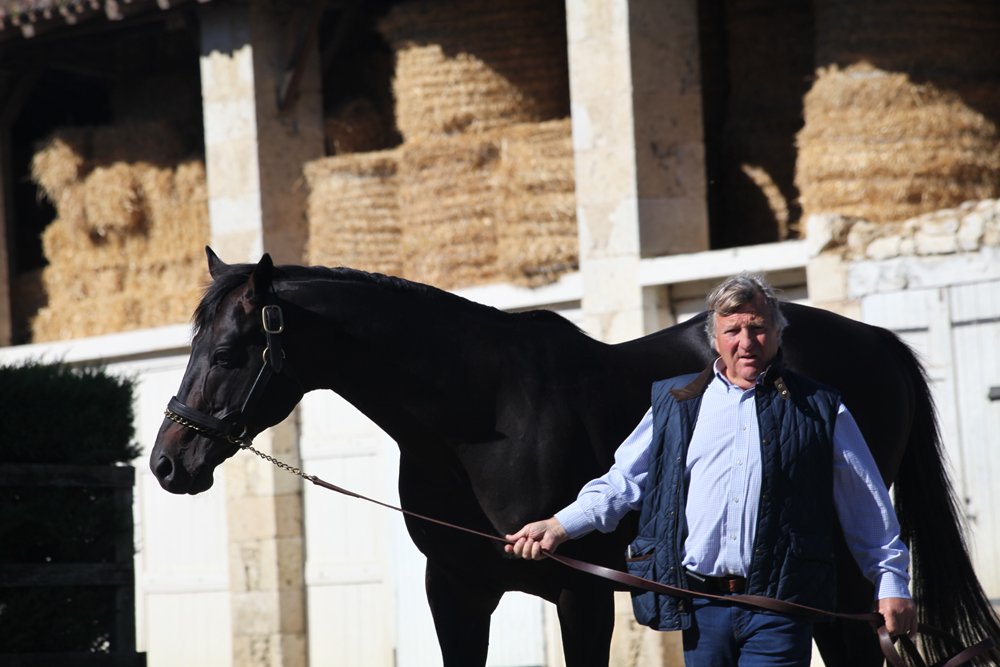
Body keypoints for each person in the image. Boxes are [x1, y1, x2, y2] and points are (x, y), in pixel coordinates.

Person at [505, 272, 917, 666]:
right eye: (732, 332)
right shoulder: (678, 402)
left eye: (757, 328)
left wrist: (892, 584)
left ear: (777, 333)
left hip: (779, 607)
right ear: (715, 340)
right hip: (702, 609)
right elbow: (623, 482)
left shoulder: (821, 407)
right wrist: (559, 526)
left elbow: (867, 504)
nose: (746, 342)